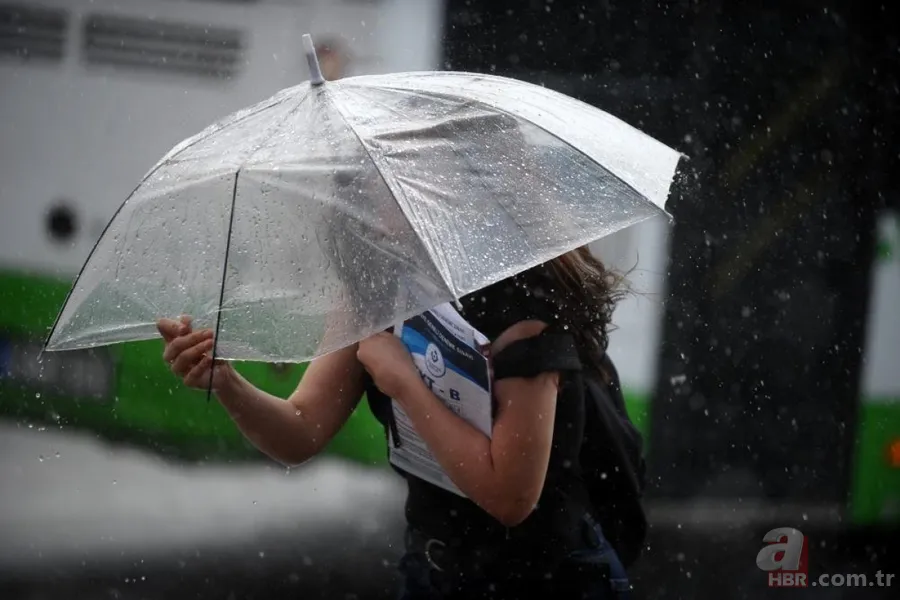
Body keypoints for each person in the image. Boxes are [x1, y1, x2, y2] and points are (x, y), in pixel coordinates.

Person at [156, 247, 635, 599]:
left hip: (546, 581)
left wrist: (404, 381)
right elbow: (300, 430)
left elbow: (510, 497)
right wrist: (227, 384)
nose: (367, 198)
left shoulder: (524, 306)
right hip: (433, 572)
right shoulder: (377, 286)